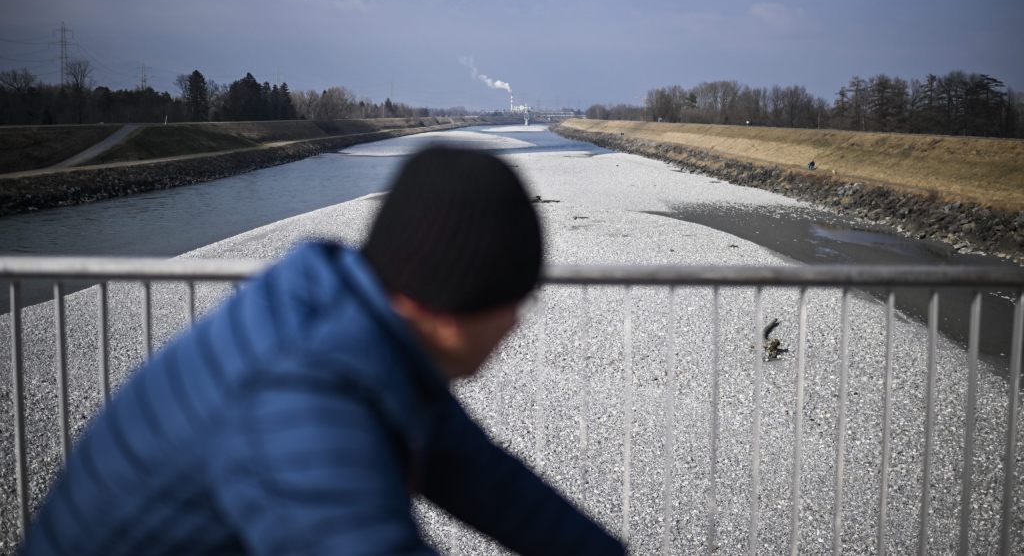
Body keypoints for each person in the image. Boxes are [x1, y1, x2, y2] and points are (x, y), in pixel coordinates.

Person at [23, 147, 623, 555]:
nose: (517, 325)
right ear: (449, 304)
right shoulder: (301, 395)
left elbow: (486, 480)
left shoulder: (356, 321)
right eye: (513, 301)